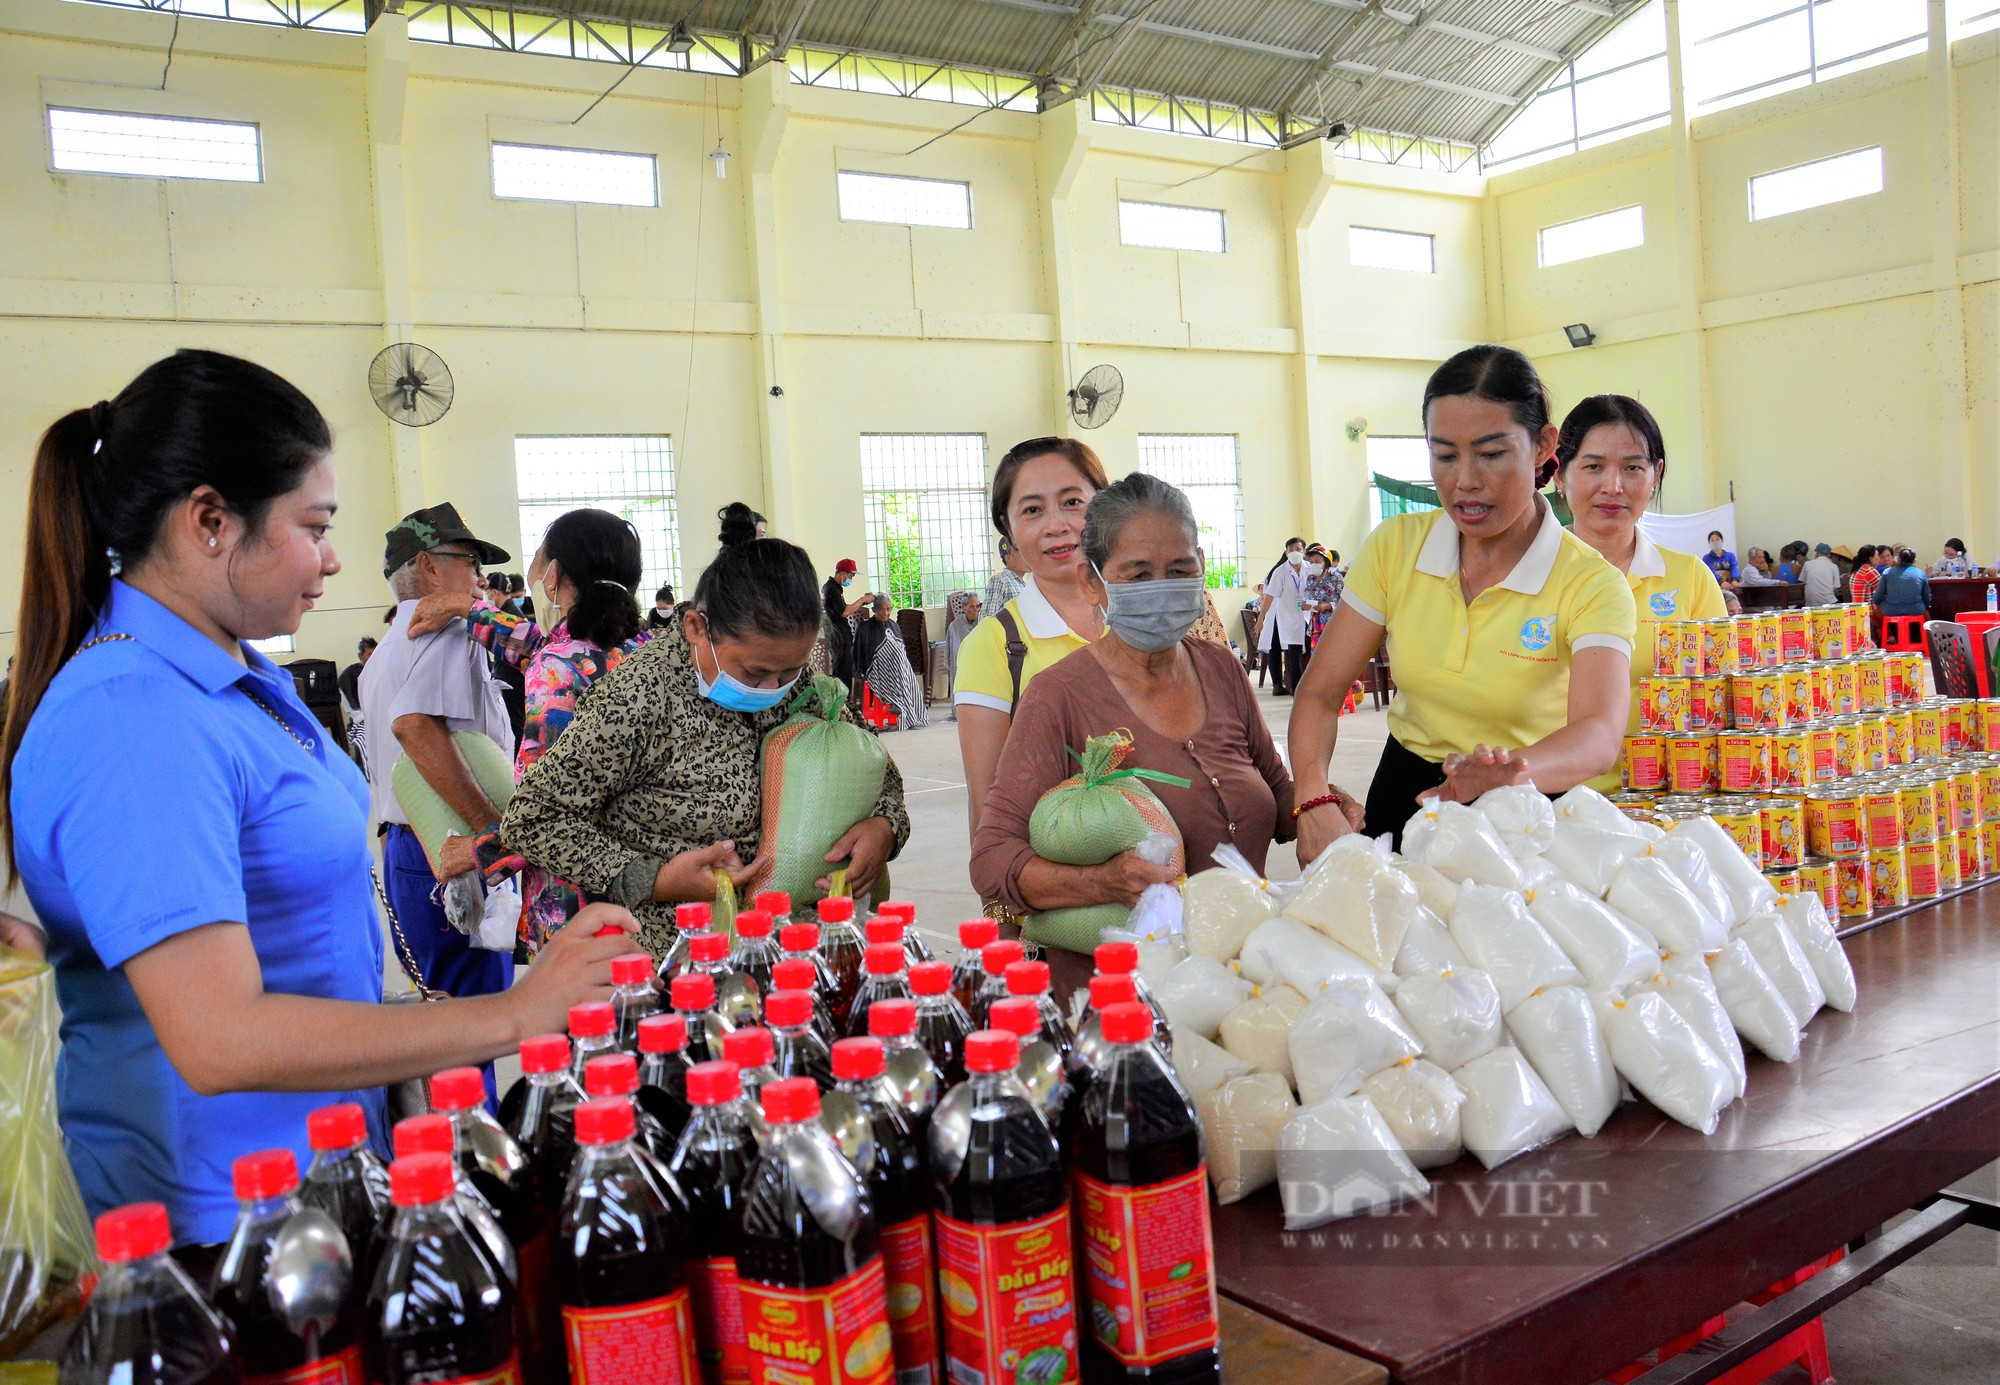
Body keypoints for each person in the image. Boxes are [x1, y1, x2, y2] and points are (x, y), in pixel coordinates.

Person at [0, 349, 636, 1245]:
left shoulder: (237, 676)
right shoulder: (133, 714)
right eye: (313, 524)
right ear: (210, 522)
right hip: (223, 1224)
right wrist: (516, 1015)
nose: (335, 560)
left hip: (320, 1177)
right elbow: (220, 1037)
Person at [1287, 345, 1635, 852]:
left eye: (1492, 454)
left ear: (1543, 447)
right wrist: (1312, 800)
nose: (1465, 481)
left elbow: (1598, 734)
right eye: (1444, 455)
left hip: (1526, 807)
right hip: (1408, 793)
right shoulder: (1396, 548)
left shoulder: (1590, 583)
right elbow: (1319, 694)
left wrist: (1508, 775)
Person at [501, 539, 911, 958]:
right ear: (697, 628)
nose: (774, 689)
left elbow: (881, 774)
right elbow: (533, 819)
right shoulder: (639, 699)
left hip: (797, 950)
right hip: (680, 962)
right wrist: (655, 879)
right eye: (755, 674)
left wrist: (885, 829)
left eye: (790, 671)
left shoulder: (802, 685)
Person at [971, 474, 1329, 947]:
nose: (1160, 588)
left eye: (1180, 570)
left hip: (1235, 974)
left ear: (1201, 566)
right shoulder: (1059, 695)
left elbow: (1278, 793)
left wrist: (1323, 805)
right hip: (1121, 992)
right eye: (1138, 574)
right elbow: (992, 858)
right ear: (1092, 583)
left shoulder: (1221, 668)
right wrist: (1103, 881)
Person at [360, 503, 519, 1010]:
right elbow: (415, 728)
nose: (480, 578)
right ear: (429, 566)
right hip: (453, 848)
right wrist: (490, 828)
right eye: (470, 562)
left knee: (442, 1010)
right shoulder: (450, 632)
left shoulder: (382, 653)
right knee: (474, 1022)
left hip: (409, 848)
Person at [1551, 394, 1726, 792]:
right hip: (1548, 803)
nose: (1613, 487)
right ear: (1560, 475)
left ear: (1656, 474)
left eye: (1633, 468)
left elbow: (1718, 696)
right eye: (1593, 466)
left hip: (1664, 799)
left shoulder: (1690, 578)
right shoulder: (1527, 576)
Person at [954, 436, 1110, 840]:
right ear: (1009, 528)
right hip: (1055, 891)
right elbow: (989, 809)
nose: (1056, 526)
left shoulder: (1143, 624)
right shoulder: (993, 645)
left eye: (1073, 502)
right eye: (1033, 510)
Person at [857, 594, 928, 730]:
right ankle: (900, 705)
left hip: (899, 666)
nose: (886, 613)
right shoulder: (867, 627)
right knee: (899, 664)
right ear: (874, 610)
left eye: (889, 609)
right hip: (878, 667)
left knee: (906, 670)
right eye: (882, 609)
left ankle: (909, 712)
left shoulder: (893, 625)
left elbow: (900, 648)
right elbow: (866, 653)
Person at [1253, 538, 1310, 694]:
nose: (1295, 553)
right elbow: (1269, 596)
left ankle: (1308, 689)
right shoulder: (1280, 571)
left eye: (1298, 549)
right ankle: (1297, 691)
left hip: (1308, 616)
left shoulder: (1310, 569)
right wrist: (1260, 619)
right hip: (1288, 617)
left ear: (1304, 552)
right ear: (1286, 552)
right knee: (1294, 655)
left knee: (1309, 654)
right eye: (1291, 550)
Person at [822, 558, 868, 688]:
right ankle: (844, 703)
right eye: (851, 576)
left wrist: (862, 602)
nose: (851, 579)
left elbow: (842, 608)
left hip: (838, 635)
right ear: (842, 574)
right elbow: (845, 612)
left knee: (841, 670)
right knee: (843, 672)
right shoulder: (831, 589)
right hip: (838, 636)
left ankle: (842, 702)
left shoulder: (834, 588)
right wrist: (862, 599)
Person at [337, 636, 377, 771]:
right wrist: (363, 718)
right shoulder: (349, 674)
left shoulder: (381, 671)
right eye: (369, 654)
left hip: (381, 718)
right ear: (360, 656)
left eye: (375, 654)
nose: (373, 657)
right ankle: (367, 773)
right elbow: (348, 703)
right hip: (360, 721)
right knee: (364, 738)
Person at [1301, 543, 1341, 648]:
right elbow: (1304, 599)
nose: (1313, 564)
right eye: (1311, 562)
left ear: (1326, 563)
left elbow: (1344, 602)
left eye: (1317, 562)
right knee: (1316, 655)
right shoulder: (1310, 579)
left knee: (1332, 652)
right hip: (1315, 624)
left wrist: (1327, 606)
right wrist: (1303, 605)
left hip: (1332, 624)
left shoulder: (1336, 578)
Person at [1873, 547, 1932, 618]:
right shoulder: (1921, 573)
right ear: (1914, 560)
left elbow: (1877, 598)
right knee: (1926, 618)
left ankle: (1886, 629)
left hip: (1890, 611)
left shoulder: (1887, 572)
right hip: (1916, 611)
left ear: (1898, 559)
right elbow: (1927, 598)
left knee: (1876, 615)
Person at [984, 534, 1028, 615]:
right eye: (1020, 552)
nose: (1026, 557)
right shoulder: (1000, 581)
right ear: (1008, 557)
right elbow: (987, 618)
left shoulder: (1022, 584)